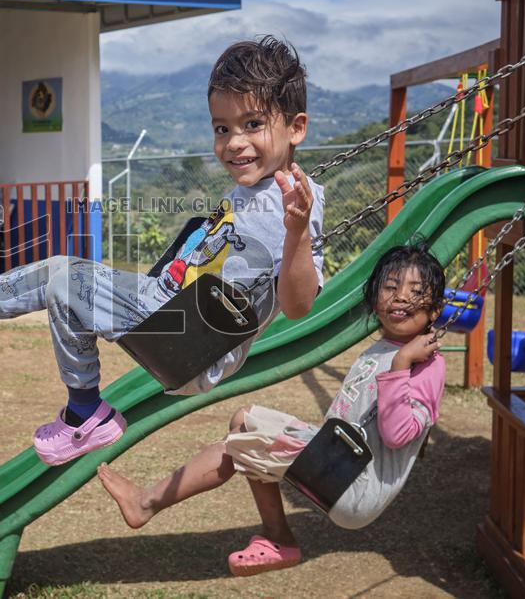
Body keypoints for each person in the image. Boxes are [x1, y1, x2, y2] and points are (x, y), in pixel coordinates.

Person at [0, 35, 325, 465]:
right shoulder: (249, 190)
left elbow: (298, 304)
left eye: (253, 125)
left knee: (68, 282)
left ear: (296, 127)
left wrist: (299, 231)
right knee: (59, 272)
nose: (234, 142)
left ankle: (84, 412)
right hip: (169, 307)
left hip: (191, 340)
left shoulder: (298, 201)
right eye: (222, 128)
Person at [96, 244, 446, 576]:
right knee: (243, 420)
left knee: (238, 442)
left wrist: (402, 365)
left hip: (356, 485)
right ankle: (277, 536)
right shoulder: (385, 348)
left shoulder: (423, 364)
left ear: (436, 309)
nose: (401, 296)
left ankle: (146, 504)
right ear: (374, 297)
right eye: (390, 286)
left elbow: (397, 435)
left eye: (416, 291)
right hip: (335, 462)